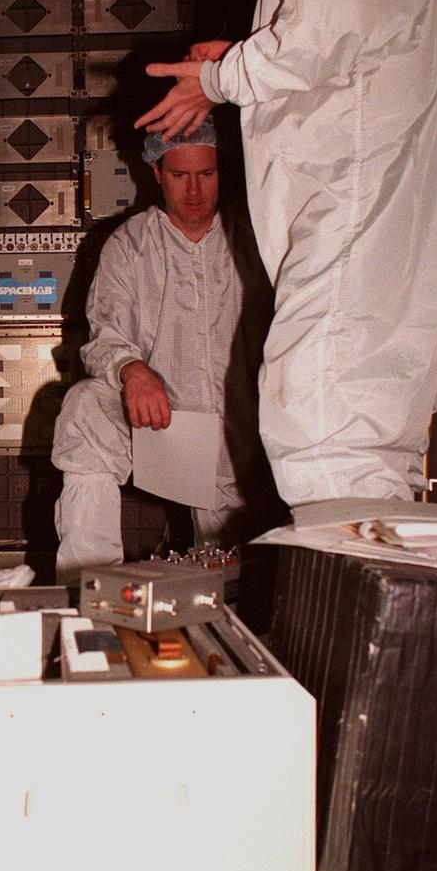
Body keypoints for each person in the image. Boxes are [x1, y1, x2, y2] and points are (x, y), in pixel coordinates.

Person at [136, 0, 437, 507]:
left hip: (354, 188)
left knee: (318, 414)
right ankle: (394, 614)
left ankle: (360, 612)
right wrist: (239, 63)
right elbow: (343, 28)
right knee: (361, 431)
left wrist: (217, 77)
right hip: (368, 188)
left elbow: (324, 33)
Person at [50, 122, 276, 582]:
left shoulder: (255, 239)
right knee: (86, 408)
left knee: (231, 579)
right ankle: (89, 583)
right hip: (160, 422)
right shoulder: (131, 245)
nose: (194, 190)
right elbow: (104, 335)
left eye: (207, 174)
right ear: (155, 171)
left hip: (244, 433)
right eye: (179, 175)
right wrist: (131, 369)